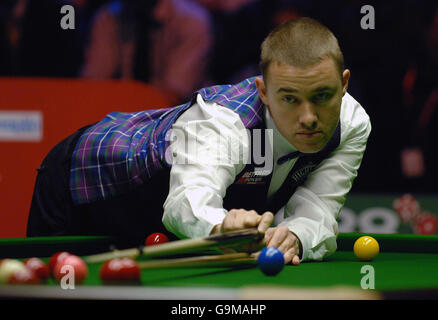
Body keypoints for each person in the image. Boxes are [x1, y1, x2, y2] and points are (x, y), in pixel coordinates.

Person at [27, 17, 371, 265]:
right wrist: (222, 225)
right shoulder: (222, 121)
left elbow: (319, 206)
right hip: (88, 181)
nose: (309, 116)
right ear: (263, 92)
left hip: (157, 220)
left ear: (344, 84)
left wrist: (294, 235)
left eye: (322, 95)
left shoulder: (352, 123)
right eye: (290, 99)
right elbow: (187, 201)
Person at [80, 0, 213, 104]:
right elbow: (94, 83)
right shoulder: (109, 16)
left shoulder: (192, 21)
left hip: (179, 118)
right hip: (119, 116)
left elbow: (175, 93)